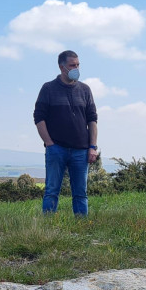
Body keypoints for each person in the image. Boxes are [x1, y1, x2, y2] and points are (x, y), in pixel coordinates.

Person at [33, 50, 98, 216]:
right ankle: (47, 228)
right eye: (72, 65)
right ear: (62, 67)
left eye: (77, 65)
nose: (76, 68)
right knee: (52, 190)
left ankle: (82, 227)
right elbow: (39, 118)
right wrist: (50, 144)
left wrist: (93, 146)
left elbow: (92, 119)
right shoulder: (48, 88)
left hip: (81, 150)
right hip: (57, 149)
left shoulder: (85, 89)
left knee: (80, 193)